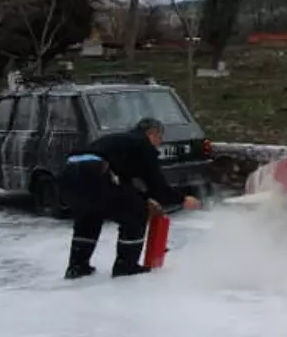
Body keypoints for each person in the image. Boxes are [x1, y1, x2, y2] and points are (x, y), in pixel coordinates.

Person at [60, 117, 201, 279]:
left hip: (69, 173)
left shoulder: (119, 142)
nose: (159, 143)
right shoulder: (142, 144)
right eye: (160, 138)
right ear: (152, 133)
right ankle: (126, 267)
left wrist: (145, 198)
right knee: (136, 213)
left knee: (90, 215)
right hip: (96, 171)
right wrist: (182, 200)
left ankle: (77, 267)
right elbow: (157, 185)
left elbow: (122, 184)